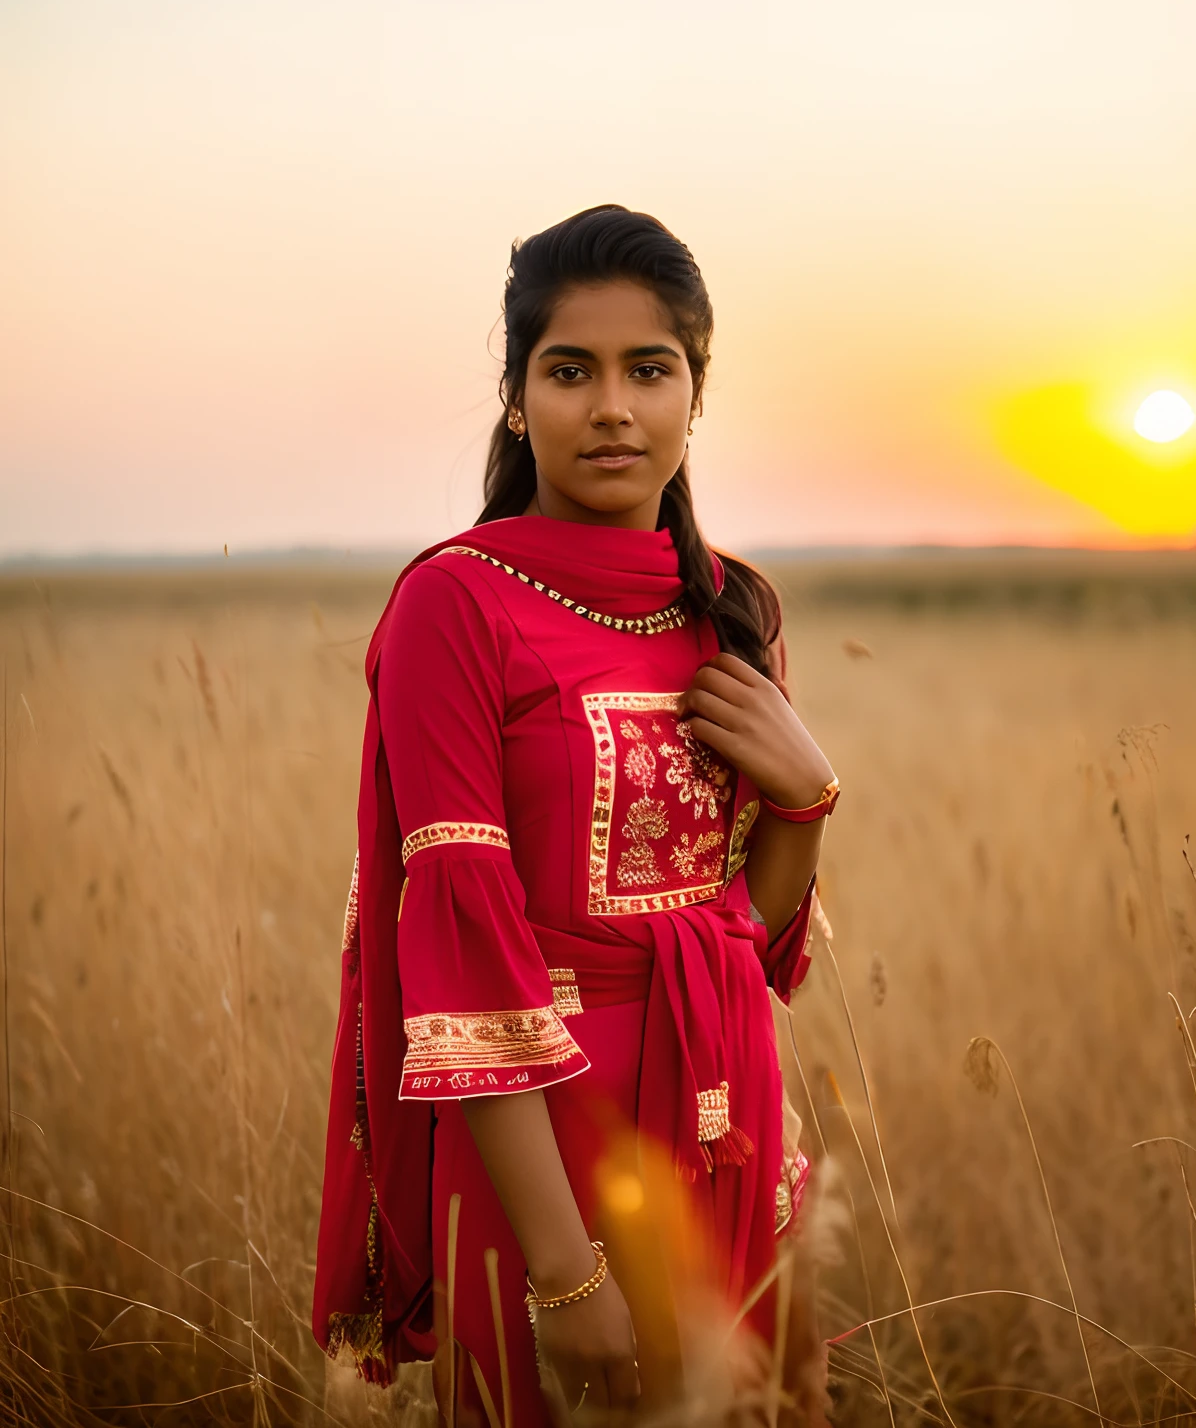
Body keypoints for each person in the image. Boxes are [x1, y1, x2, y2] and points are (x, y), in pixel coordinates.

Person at [313, 206, 836, 1425]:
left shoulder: (732, 606)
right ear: (514, 398)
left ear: (694, 395)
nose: (612, 407)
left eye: (649, 370)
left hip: (726, 1113)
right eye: (570, 370)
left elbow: (737, 946)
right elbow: (460, 942)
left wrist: (806, 805)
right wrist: (562, 1271)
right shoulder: (459, 603)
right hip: (538, 1148)